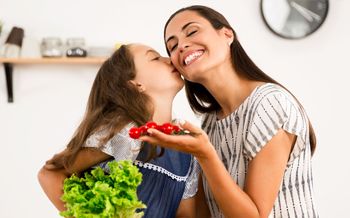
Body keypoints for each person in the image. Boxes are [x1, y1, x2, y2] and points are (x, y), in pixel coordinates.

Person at [140, 5, 318, 218]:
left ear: (227, 34)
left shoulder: (269, 104)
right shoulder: (209, 122)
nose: (182, 45)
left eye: (192, 31)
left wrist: (204, 154)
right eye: (173, 46)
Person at [37, 43, 199, 218]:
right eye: (155, 58)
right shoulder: (125, 132)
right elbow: (50, 174)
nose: (169, 60)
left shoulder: (187, 146)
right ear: (136, 84)